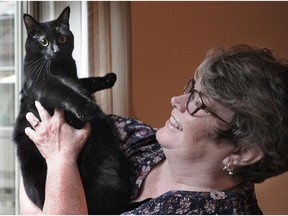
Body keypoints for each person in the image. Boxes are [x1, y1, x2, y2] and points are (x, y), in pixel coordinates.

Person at [21, 44, 288, 214]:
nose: (178, 100)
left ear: (243, 152)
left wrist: (60, 160)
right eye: (191, 88)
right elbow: (37, 134)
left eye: (199, 103)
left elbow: (51, 147)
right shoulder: (139, 138)